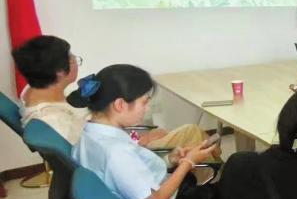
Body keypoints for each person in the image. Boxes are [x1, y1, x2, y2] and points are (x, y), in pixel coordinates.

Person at [69, 65, 217, 199]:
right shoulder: (117, 152)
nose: (147, 109)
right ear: (120, 105)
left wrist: (170, 160)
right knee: (235, 169)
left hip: (155, 190)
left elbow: (133, 172)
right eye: (144, 103)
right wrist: (187, 163)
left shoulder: (89, 136)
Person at [12, 35, 209, 149]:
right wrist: (138, 140)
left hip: (116, 141)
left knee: (167, 133)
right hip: (122, 156)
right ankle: (209, 186)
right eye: (72, 59)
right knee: (192, 133)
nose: (76, 63)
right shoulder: (54, 121)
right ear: (60, 72)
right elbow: (97, 153)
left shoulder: (33, 92)